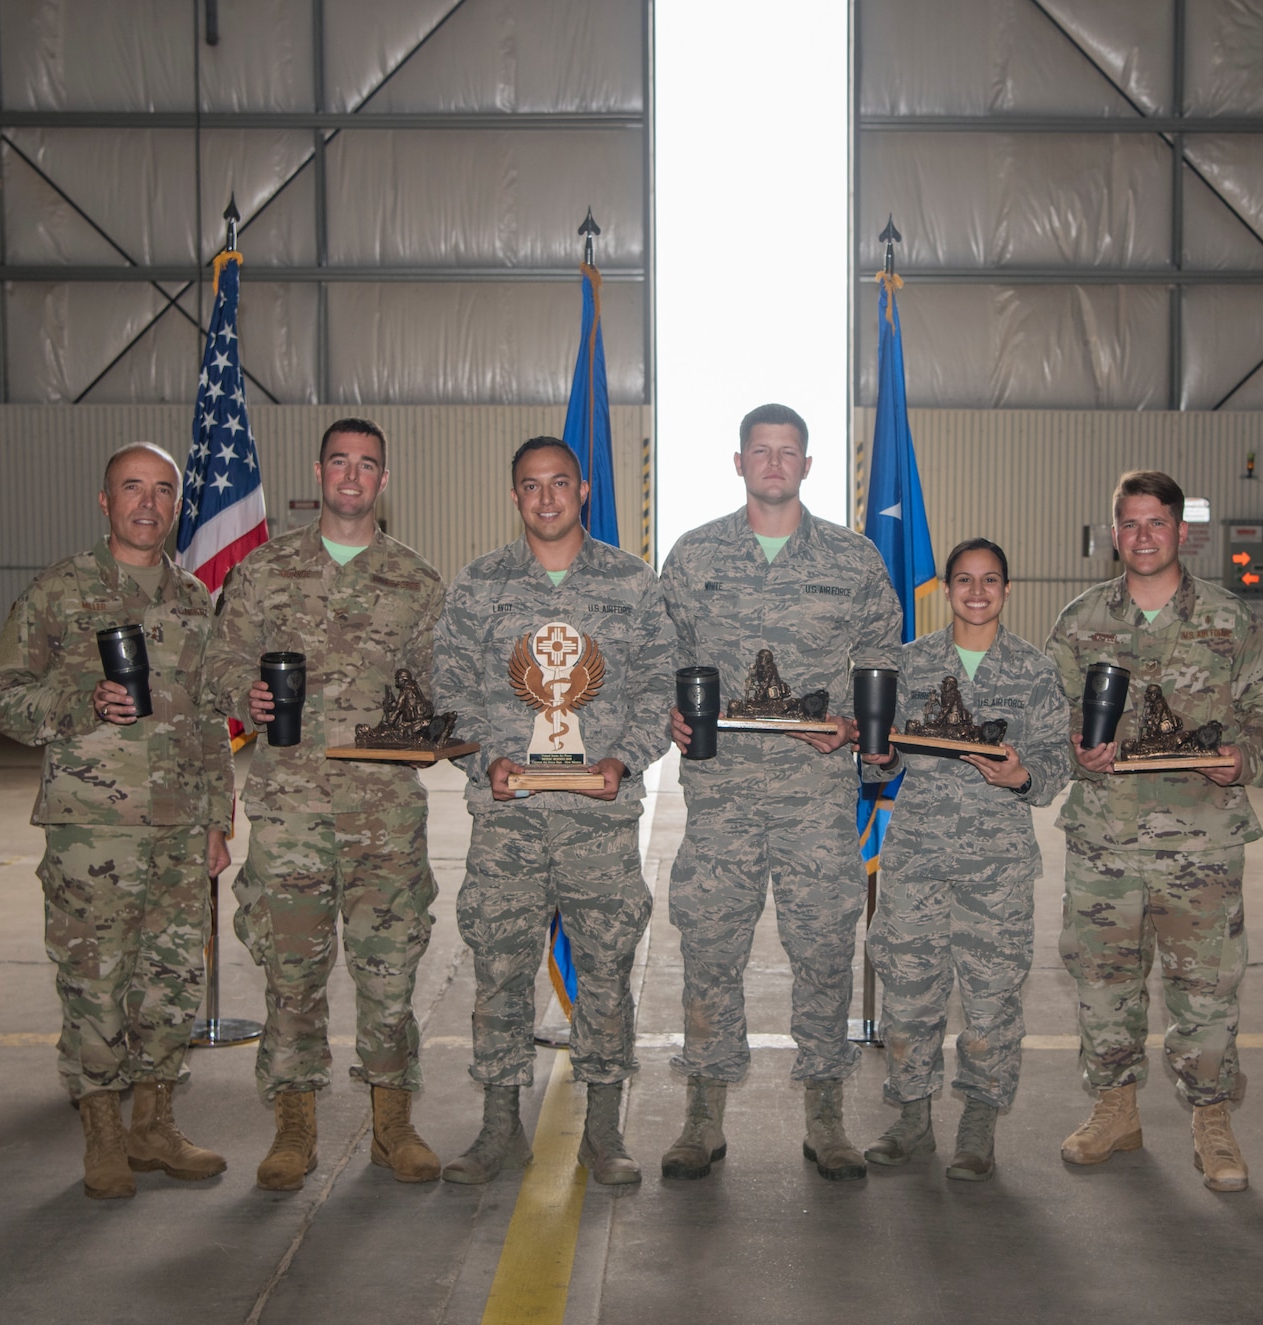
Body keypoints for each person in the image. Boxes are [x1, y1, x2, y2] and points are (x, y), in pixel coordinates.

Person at [659, 403, 903, 1182]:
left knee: (826, 951)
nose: (773, 463)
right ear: (738, 463)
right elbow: (660, 656)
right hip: (721, 795)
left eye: (787, 452)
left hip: (815, 797)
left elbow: (883, 663)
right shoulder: (694, 556)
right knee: (709, 949)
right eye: (759, 451)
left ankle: (826, 1112)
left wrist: (855, 730)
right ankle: (703, 1111)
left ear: (807, 465)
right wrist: (660, 709)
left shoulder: (853, 559)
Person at [203, 417, 444, 1191]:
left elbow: (441, 688)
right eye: (340, 461)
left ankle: (392, 1123)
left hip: (385, 816)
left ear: (383, 480)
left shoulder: (416, 580)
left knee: (390, 973)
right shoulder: (266, 571)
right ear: (319, 471)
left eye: (368, 464)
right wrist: (243, 690)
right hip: (292, 810)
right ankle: (293, 1126)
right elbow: (218, 665)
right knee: (292, 975)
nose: (352, 476)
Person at [0, 442, 232, 1199]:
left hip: (182, 826)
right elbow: (5, 697)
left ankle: (154, 1124)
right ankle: (101, 1133)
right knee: (94, 980)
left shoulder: (195, 599)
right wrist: (79, 701)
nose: (148, 503)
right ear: (105, 501)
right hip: (93, 827)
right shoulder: (61, 590)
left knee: (170, 980)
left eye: (163, 490)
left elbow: (213, 719)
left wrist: (219, 818)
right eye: (133, 487)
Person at [431, 436, 675, 1186]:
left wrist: (623, 758)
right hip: (507, 817)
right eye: (530, 486)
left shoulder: (633, 584)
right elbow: (450, 694)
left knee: (605, 970)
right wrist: (484, 761)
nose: (545, 498)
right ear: (514, 497)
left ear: (584, 489)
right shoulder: (479, 586)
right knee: (500, 970)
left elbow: (658, 689)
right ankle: (499, 1125)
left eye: (559, 483)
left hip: (599, 818)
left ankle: (604, 1130)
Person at [1045, 470, 1263, 1193]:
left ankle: (1211, 1120)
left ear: (1183, 532)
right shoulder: (1081, 619)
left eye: (1158, 523)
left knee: (1207, 991)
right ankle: (1115, 1107)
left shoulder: (1229, 618)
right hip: (1106, 839)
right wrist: (1073, 744)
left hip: (1201, 842)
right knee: (1103, 985)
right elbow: (1043, 705)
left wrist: (1247, 753)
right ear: (1113, 532)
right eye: (1130, 523)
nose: (1143, 536)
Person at [855, 539, 1071, 1181]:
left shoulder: (1034, 670)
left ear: (1008, 590)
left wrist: (1022, 776)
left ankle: (979, 1125)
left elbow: (1057, 764)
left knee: (990, 1001)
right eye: (965, 581)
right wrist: (879, 758)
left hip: (996, 866)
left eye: (991, 581)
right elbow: (882, 749)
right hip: (917, 857)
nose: (977, 593)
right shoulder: (908, 663)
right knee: (909, 995)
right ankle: (912, 1119)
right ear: (946, 590)